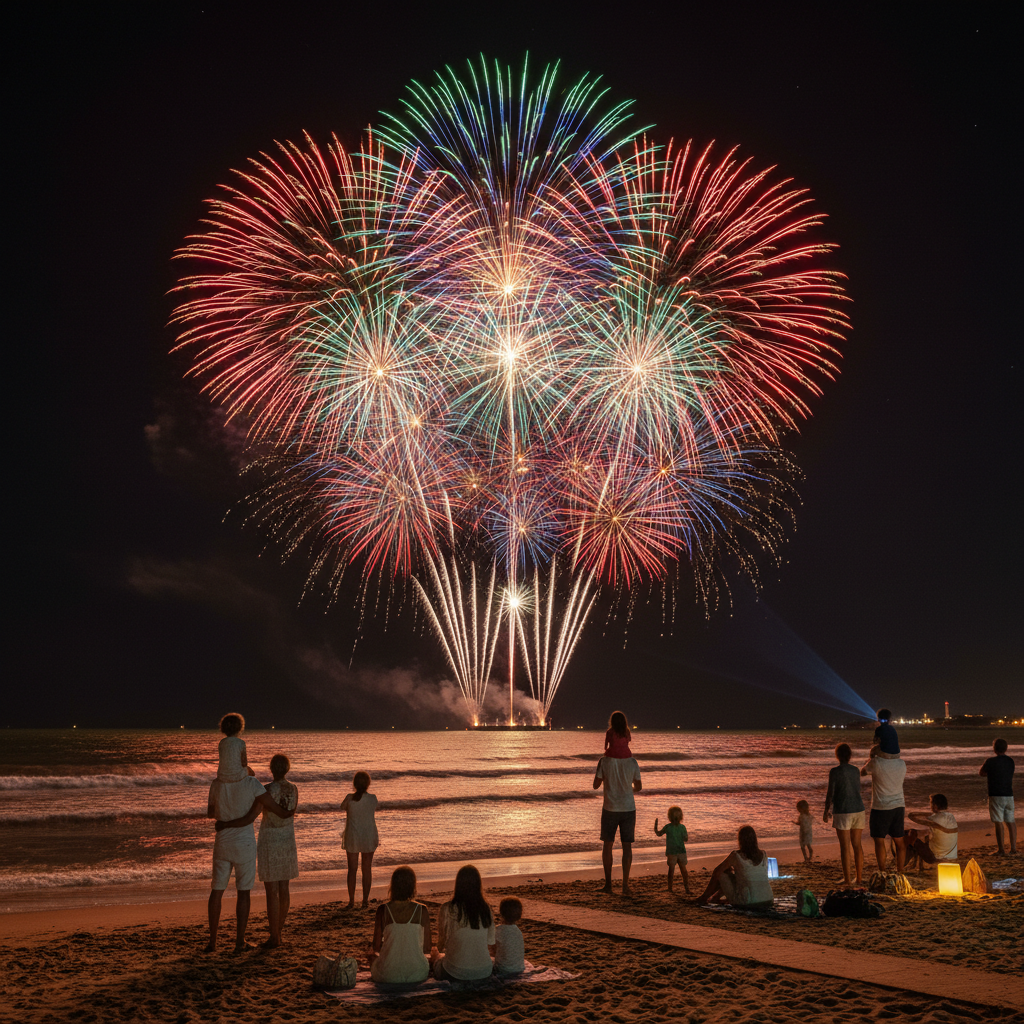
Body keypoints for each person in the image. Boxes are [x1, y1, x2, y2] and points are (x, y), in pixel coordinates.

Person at [206, 765, 295, 953]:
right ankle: (242, 941)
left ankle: (212, 942)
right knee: (245, 892)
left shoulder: (216, 784)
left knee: (217, 890)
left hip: (223, 841)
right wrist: (288, 813)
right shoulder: (252, 784)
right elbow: (269, 813)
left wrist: (225, 819)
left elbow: (211, 813)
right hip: (246, 843)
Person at [594, 737, 642, 896]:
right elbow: (638, 787)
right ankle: (625, 886)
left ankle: (608, 885)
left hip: (610, 808)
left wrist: (608, 780)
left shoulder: (604, 761)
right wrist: (626, 790)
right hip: (628, 808)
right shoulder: (632, 762)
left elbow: (595, 785)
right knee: (627, 846)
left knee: (608, 845)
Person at [369, 866, 432, 985]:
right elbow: (427, 948)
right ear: (413, 886)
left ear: (393, 886)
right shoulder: (422, 910)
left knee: (372, 957)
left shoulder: (383, 910)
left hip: (388, 975)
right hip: (417, 974)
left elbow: (376, 947)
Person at [433, 865, 494, 982]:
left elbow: (442, 942)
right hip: (485, 971)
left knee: (436, 958)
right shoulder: (486, 909)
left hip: (454, 972)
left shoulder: (447, 908)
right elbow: (490, 941)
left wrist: (436, 954)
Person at [695, 825, 774, 909]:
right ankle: (715, 898)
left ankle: (704, 898)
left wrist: (706, 894)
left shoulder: (736, 855)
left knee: (722, 874)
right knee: (737, 876)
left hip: (748, 901)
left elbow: (717, 871)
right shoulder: (763, 854)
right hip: (768, 899)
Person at [823, 742, 866, 885]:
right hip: (858, 809)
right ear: (850, 755)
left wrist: (826, 810)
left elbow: (830, 792)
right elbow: (857, 788)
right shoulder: (855, 770)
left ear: (837, 756)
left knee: (845, 847)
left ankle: (847, 879)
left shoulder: (835, 771)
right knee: (857, 845)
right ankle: (859, 878)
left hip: (842, 810)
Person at [861, 745, 907, 873]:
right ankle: (900, 871)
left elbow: (862, 772)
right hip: (899, 805)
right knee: (899, 841)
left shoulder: (876, 762)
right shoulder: (901, 763)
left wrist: (870, 758)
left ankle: (883, 871)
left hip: (881, 806)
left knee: (879, 840)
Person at [341, 770, 379, 909]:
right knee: (366, 869)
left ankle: (351, 901)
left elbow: (342, 807)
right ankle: (365, 901)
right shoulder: (373, 798)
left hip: (353, 836)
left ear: (354, 784)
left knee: (352, 870)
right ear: (368, 784)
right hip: (368, 835)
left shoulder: (349, 798)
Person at [980, 738, 1016, 855]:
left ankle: (1001, 849)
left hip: (995, 794)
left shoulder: (990, 761)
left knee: (998, 822)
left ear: (994, 749)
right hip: (1009, 794)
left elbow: (981, 773)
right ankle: (1013, 848)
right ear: (1006, 748)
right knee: (1010, 821)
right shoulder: (1010, 761)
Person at [906, 794, 958, 872]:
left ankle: (904, 862)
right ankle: (917, 865)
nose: (930, 806)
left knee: (911, 836)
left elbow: (911, 816)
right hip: (949, 855)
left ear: (935, 806)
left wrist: (929, 814)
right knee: (927, 837)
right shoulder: (951, 816)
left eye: (930, 804)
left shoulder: (934, 818)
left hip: (934, 857)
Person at [654, 806, 690, 894]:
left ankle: (670, 888)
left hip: (671, 852)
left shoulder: (668, 827)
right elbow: (686, 839)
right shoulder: (682, 827)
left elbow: (659, 834)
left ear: (669, 817)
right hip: (681, 851)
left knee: (671, 870)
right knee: (683, 870)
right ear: (681, 817)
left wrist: (655, 827)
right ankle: (687, 889)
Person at [493, 897, 526, 975]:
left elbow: (492, 950)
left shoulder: (498, 930)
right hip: (519, 968)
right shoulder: (517, 931)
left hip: (503, 969)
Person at [216, 712, 248, 783]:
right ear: (240, 728)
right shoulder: (241, 743)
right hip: (237, 776)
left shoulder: (222, 742)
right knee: (249, 771)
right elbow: (244, 763)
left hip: (222, 776)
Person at [794, 799, 813, 864]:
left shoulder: (801, 816)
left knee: (802, 846)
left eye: (798, 808)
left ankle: (806, 858)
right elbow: (810, 823)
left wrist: (795, 823)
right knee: (808, 845)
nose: (798, 810)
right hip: (809, 832)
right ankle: (809, 858)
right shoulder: (809, 816)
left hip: (803, 832)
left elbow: (800, 823)